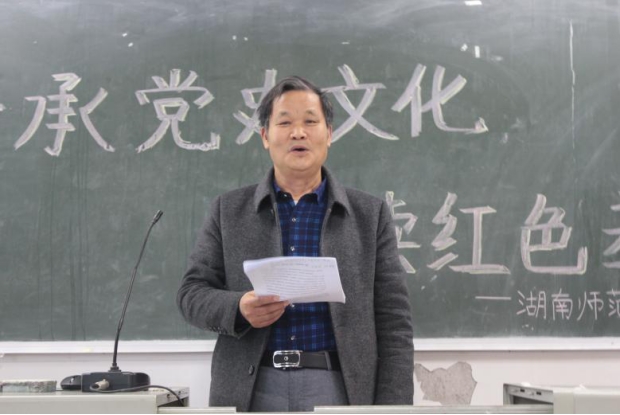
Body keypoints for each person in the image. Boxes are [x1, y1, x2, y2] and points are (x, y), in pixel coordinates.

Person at [177, 76, 414, 412]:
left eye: (310, 122)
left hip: (338, 385)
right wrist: (239, 308)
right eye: (285, 122)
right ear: (265, 136)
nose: (298, 133)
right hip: (253, 387)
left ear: (329, 134)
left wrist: (394, 408)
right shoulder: (228, 210)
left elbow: (394, 322)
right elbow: (191, 294)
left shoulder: (369, 215)